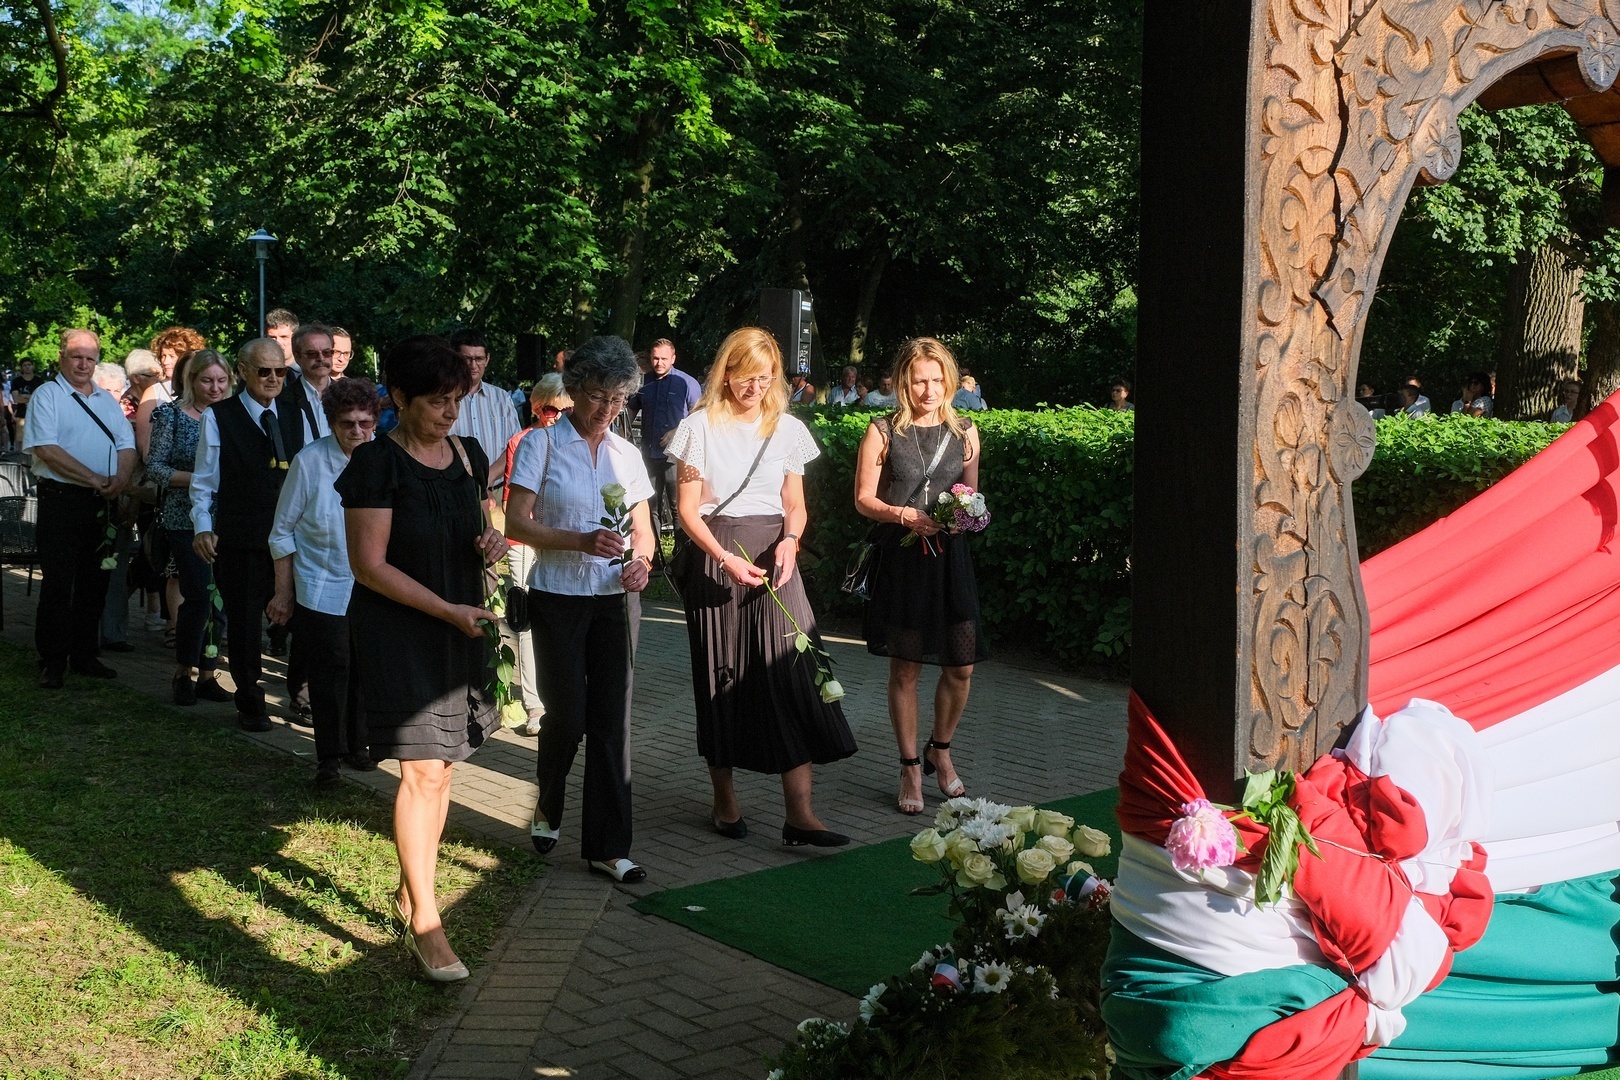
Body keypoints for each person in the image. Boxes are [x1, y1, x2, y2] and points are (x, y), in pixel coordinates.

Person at [337, 334, 507, 982]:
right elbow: (368, 565)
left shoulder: (469, 454)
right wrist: (446, 610)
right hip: (401, 629)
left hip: (459, 625)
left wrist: (491, 541)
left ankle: (413, 890)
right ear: (399, 398)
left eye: (456, 400)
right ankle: (427, 923)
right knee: (422, 772)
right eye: (436, 401)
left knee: (445, 766)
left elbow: (483, 524)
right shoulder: (376, 463)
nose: (449, 413)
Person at [667, 327, 857, 847]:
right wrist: (724, 557)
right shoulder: (697, 428)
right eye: (747, 377)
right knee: (721, 673)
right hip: (717, 554)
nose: (756, 388)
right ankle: (725, 801)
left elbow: (795, 503)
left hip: (776, 553)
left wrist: (791, 540)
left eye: (766, 378)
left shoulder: (788, 428)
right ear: (726, 375)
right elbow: (688, 510)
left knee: (795, 671)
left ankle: (801, 814)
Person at [505, 337, 656, 883]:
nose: (607, 409)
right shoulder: (541, 445)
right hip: (558, 598)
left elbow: (644, 529)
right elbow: (516, 522)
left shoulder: (626, 454)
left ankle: (608, 848)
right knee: (567, 718)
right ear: (573, 389)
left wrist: (642, 562)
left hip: (616, 601)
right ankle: (548, 800)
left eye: (618, 399)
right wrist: (580, 541)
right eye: (597, 395)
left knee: (612, 724)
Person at [854, 338, 988, 814]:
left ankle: (941, 749)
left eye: (936, 380)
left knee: (962, 666)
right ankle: (910, 765)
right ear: (902, 383)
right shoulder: (882, 430)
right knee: (906, 668)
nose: (929, 390)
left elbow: (973, 496)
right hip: (904, 557)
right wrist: (902, 515)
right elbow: (863, 499)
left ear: (948, 381)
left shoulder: (966, 431)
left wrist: (967, 516)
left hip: (950, 559)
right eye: (918, 382)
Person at [191, 338, 308, 731]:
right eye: (264, 371)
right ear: (242, 372)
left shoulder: (295, 413)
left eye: (281, 371)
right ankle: (250, 702)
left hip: (291, 540)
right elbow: (204, 482)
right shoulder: (219, 416)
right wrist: (203, 527)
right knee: (243, 624)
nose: (273, 379)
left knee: (305, 619)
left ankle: (304, 694)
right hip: (241, 538)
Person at [270, 378, 380, 787]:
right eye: (348, 423)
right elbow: (281, 532)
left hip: (372, 585)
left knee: (364, 666)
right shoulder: (309, 462)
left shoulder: (383, 459)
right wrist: (284, 592)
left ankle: (359, 744)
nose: (357, 431)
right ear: (332, 423)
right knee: (330, 670)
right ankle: (328, 757)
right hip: (321, 582)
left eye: (365, 423)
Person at [24, 330, 137, 688]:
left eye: (90, 358)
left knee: (95, 580)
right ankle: (53, 660)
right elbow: (46, 449)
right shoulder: (48, 395)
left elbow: (127, 443)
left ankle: (85, 654)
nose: (83, 364)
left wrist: (120, 479)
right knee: (59, 583)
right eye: (77, 356)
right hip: (61, 499)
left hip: (102, 501)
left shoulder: (106, 399)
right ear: (61, 356)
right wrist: (94, 478)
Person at [147, 349, 234, 706]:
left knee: (220, 596)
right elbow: (155, 466)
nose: (215, 388)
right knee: (199, 593)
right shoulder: (172, 416)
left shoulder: (235, 417)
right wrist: (201, 479)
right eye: (207, 380)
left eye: (222, 380)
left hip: (228, 518)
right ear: (192, 380)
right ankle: (184, 670)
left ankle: (209, 673)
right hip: (185, 517)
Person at [500, 373, 573, 737]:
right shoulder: (522, 441)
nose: (556, 417)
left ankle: (565, 694)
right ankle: (535, 704)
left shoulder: (581, 442)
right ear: (535, 409)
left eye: (565, 410)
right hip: (526, 543)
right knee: (527, 621)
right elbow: (512, 505)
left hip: (569, 545)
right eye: (549, 410)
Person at [625, 337, 701, 542]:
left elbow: (699, 415)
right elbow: (631, 409)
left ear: (673, 358)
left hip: (676, 457)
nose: (659, 363)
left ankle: (680, 554)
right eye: (655, 358)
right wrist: (621, 436)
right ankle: (652, 553)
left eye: (664, 359)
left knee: (679, 506)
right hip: (649, 455)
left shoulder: (687, 383)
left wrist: (677, 431)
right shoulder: (644, 382)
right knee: (650, 506)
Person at [91, 361, 138, 654]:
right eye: (106, 389)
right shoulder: (84, 418)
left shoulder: (126, 424)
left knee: (117, 572)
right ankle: (87, 632)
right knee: (89, 571)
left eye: (117, 390)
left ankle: (114, 632)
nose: (112, 395)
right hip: (89, 501)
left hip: (120, 505)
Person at [448, 329, 522, 492]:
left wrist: (488, 478)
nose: (473, 365)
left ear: (487, 359)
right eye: (467, 359)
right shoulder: (443, 398)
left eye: (479, 359)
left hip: (497, 489)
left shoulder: (502, 398)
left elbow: (515, 446)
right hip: (454, 491)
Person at [138, 327, 206, 460]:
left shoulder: (208, 390)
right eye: (163, 356)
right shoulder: (153, 392)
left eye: (172, 356)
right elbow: (144, 444)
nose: (165, 361)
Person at [285, 322, 337, 441]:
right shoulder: (284, 400)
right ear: (297, 357)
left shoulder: (347, 396)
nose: (321, 358)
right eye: (312, 354)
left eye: (327, 352)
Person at [10, 358, 47, 445]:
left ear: (33, 366)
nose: (27, 367)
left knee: (37, 441)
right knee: (21, 441)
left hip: (37, 415)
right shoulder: (16, 381)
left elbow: (42, 398)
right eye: (24, 365)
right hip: (22, 415)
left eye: (29, 365)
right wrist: (33, 397)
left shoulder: (39, 381)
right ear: (21, 368)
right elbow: (16, 399)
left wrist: (24, 396)